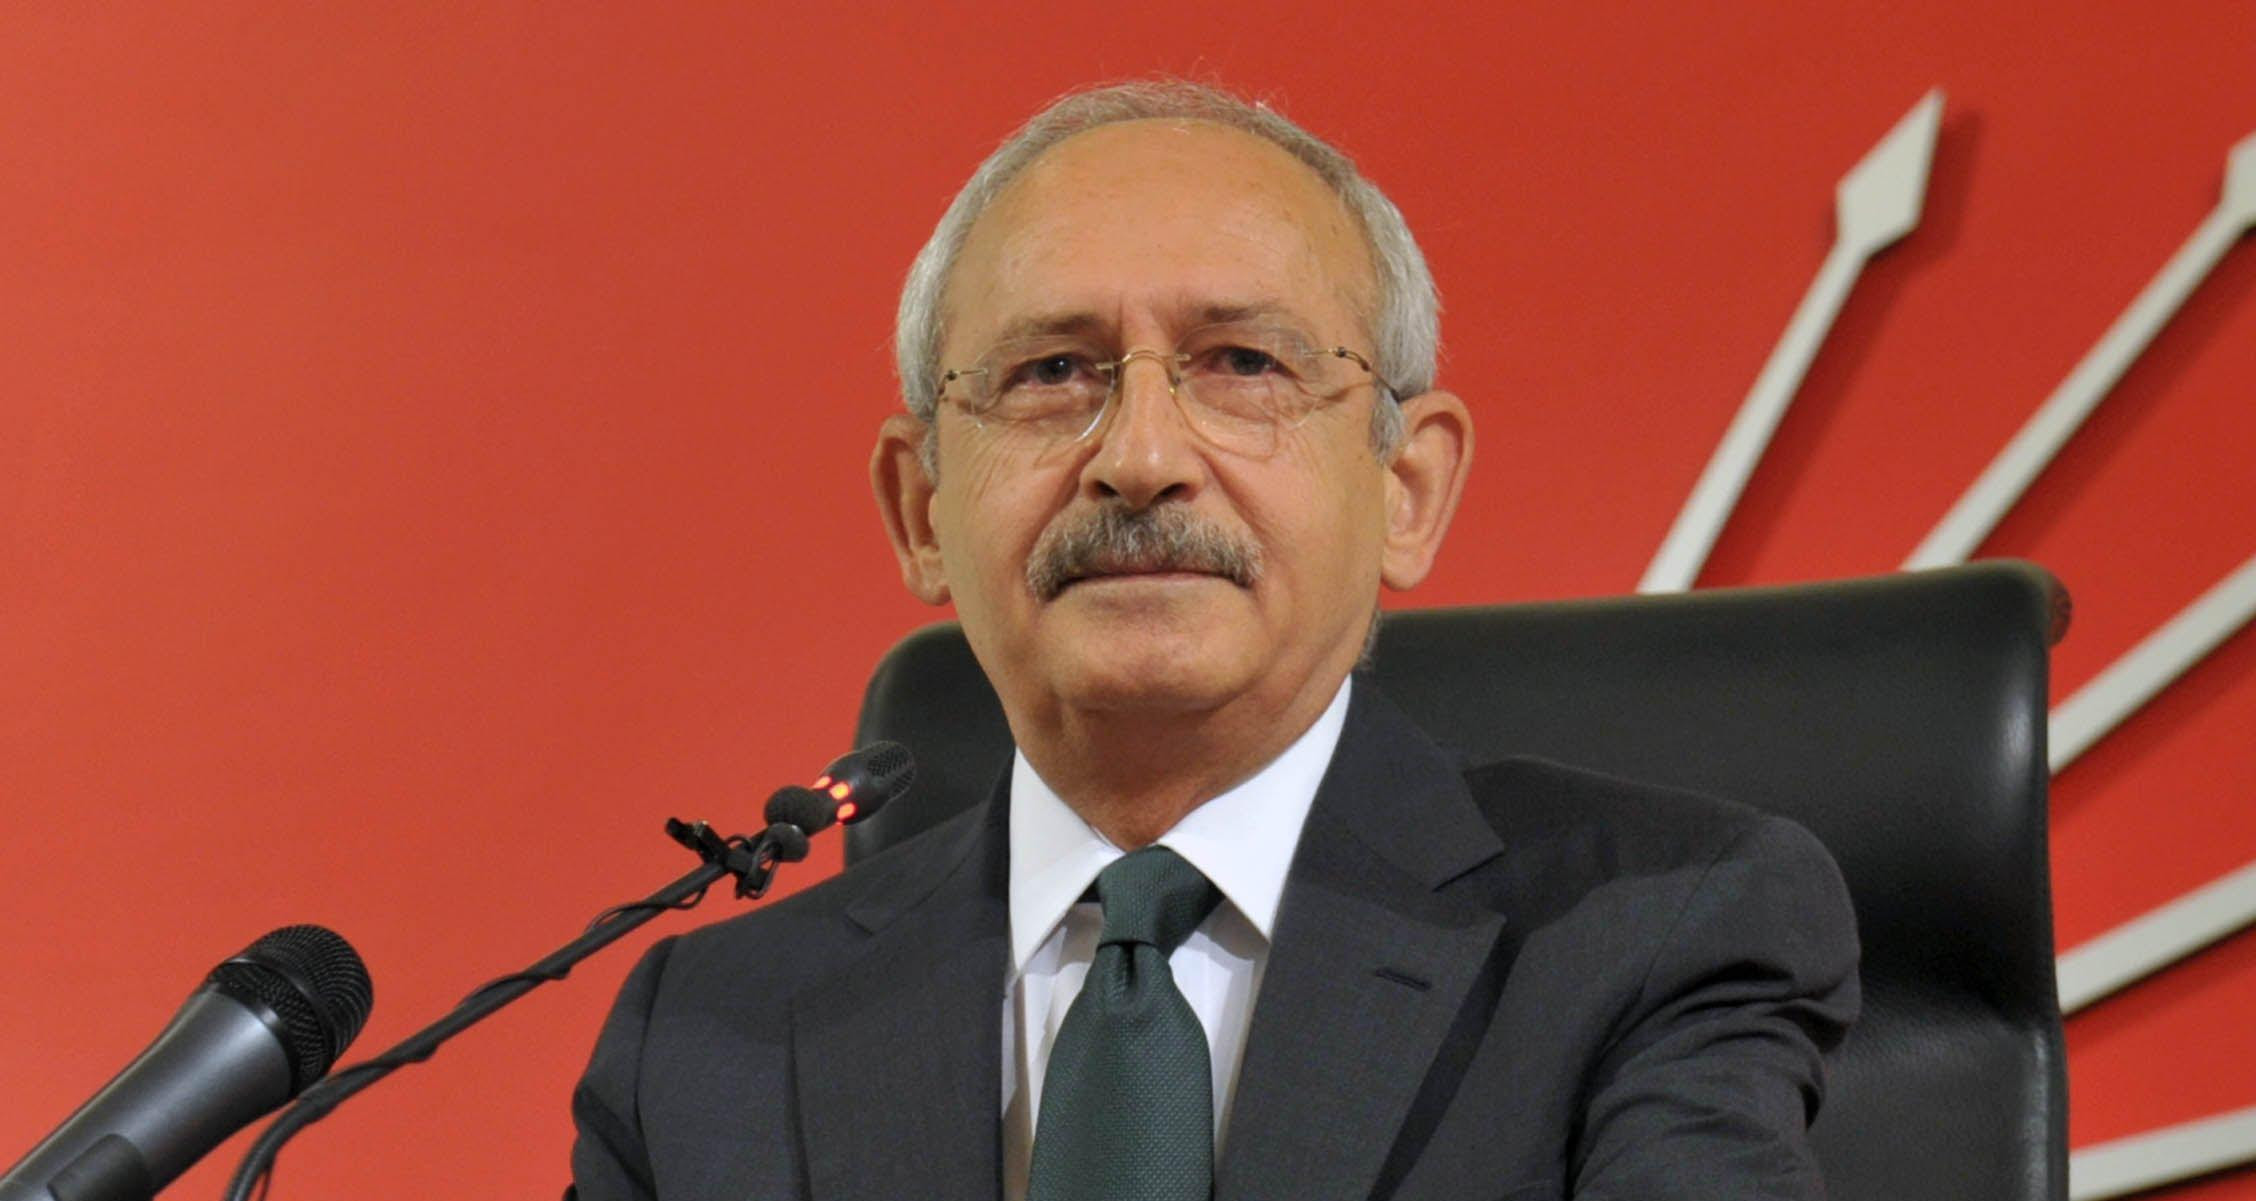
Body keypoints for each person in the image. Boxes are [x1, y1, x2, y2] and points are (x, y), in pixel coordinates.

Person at [569, 80, 1859, 1201]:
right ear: (921, 512)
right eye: (1052, 373)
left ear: (1407, 492)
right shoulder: (705, 1039)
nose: (1139, 459)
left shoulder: (1652, 930)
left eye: (1243, 363)